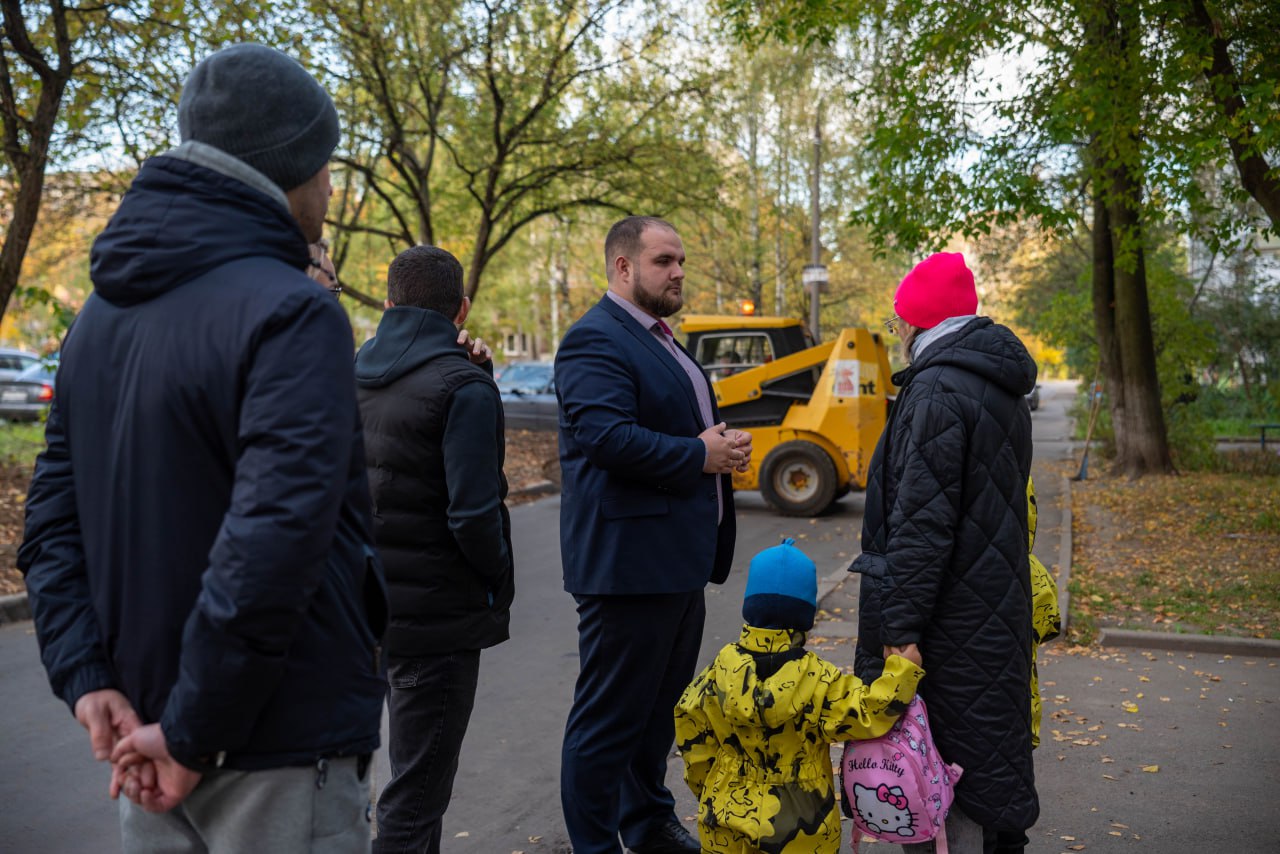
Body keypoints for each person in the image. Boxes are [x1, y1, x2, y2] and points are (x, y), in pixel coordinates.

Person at [17, 43, 387, 852]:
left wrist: (91, 685)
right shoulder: (294, 313)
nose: (330, 187)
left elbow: (49, 531)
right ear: (288, 164)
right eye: (323, 164)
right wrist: (190, 731)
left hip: (146, 735)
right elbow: (271, 546)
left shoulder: (94, 325)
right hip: (270, 746)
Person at [555, 215, 752, 854]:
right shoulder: (595, 338)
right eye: (664, 260)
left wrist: (721, 446)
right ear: (623, 267)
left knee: (652, 718)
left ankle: (646, 824)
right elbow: (604, 437)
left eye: (681, 261)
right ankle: (594, 844)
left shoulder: (663, 339)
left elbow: (678, 428)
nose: (678, 272)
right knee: (607, 722)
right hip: (627, 568)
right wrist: (698, 454)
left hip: (674, 565)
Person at [851, 252, 1039, 854]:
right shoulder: (995, 383)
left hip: (947, 617)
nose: (897, 329)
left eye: (898, 318)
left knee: (938, 766)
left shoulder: (935, 389)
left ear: (914, 323)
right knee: (986, 755)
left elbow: (921, 526)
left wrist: (899, 628)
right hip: (990, 601)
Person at [354, 245, 514, 853]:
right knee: (416, 796)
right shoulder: (461, 387)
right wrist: (496, 576)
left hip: (359, 613)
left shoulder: (348, 371)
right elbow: (473, 516)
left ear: (389, 301)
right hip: (436, 626)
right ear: (462, 308)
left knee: (366, 788)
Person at [675, 538, 925, 853]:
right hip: (803, 825)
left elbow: (690, 729)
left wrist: (709, 789)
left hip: (726, 814)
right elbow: (871, 712)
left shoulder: (719, 670)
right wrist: (901, 672)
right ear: (806, 616)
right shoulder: (819, 679)